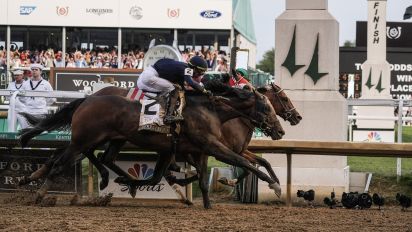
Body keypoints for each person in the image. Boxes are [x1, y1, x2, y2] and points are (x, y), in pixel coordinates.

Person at [136, 56, 211, 124]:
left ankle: (163, 108)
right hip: (149, 76)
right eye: (200, 72)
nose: (199, 75)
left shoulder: (183, 67)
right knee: (173, 89)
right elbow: (190, 82)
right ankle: (169, 116)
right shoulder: (187, 68)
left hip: (145, 76)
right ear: (194, 68)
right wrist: (204, 90)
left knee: (175, 89)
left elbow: (182, 88)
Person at [19, 63, 56, 129]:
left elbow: (52, 98)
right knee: (27, 132)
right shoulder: (26, 83)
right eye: (32, 69)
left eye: (36, 69)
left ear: (41, 72)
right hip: (28, 111)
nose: (34, 71)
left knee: (40, 132)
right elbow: (21, 97)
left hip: (41, 112)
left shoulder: (46, 84)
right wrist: (28, 103)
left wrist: (42, 104)